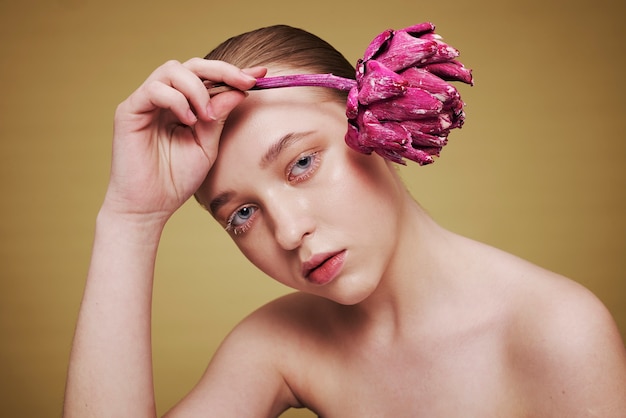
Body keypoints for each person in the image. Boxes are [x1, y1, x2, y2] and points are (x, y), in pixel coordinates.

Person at [63, 24, 626, 417]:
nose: (287, 232)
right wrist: (130, 218)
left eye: (301, 163)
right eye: (242, 213)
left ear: (374, 121)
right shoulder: (278, 345)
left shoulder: (558, 334)